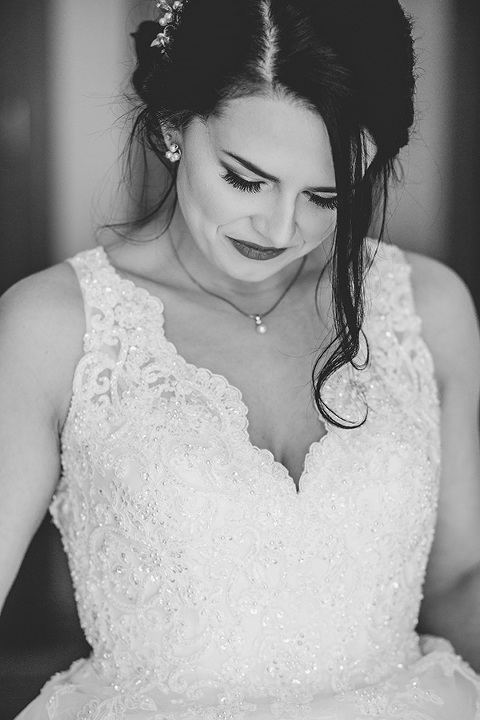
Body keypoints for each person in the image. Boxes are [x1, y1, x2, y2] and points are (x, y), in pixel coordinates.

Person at [1, 0, 480, 717]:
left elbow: (458, 578)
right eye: (245, 179)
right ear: (173, 125)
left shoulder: (429, 307)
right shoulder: (54, 327)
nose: (282, 229)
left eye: (328, 195)